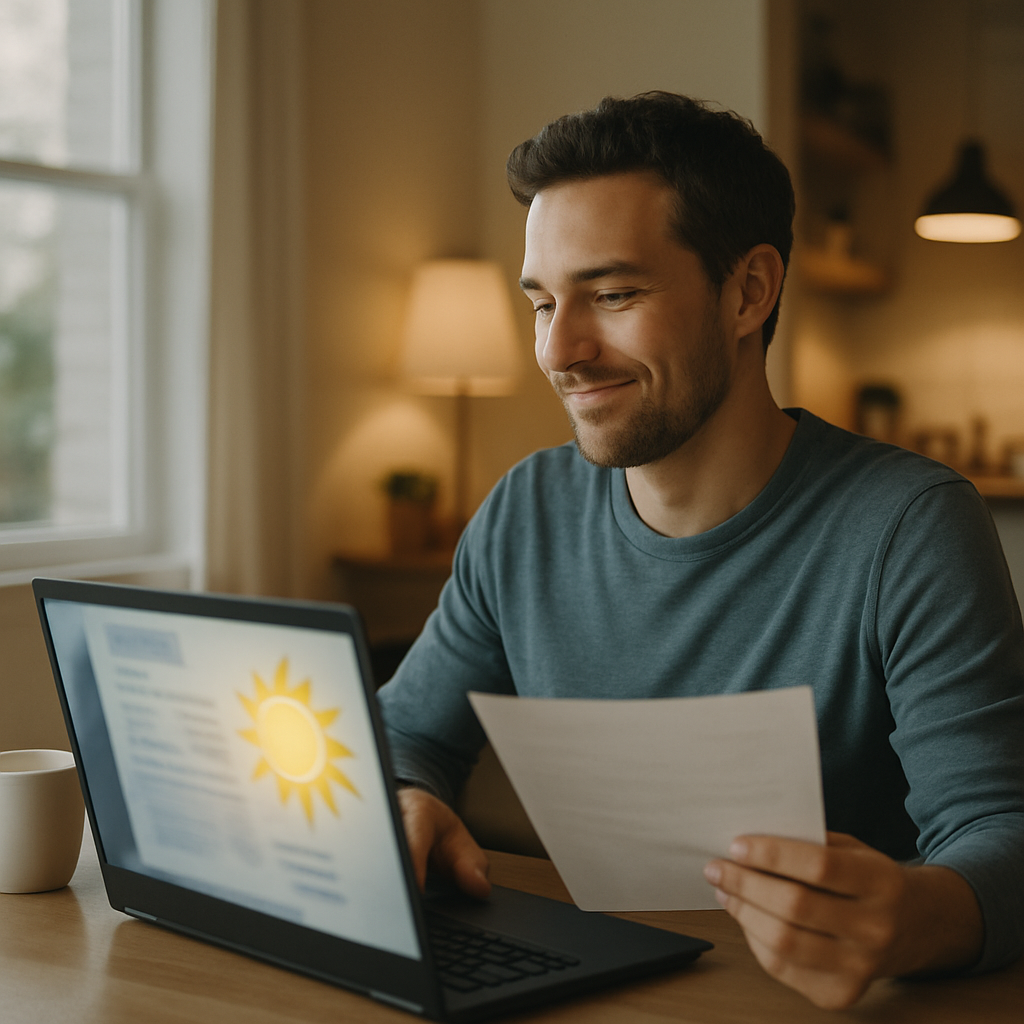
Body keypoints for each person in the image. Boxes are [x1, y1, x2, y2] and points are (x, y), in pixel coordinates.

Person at [376, 92, 1024, 1009]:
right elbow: (402, 737)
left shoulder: (908, 526)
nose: (560, 349)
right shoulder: (526, 509)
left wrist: (914, 914)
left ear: (748, 292)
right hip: (592, 992)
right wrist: (405, 798)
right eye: (542, 302)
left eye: (612, 294)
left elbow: (1001, 830)